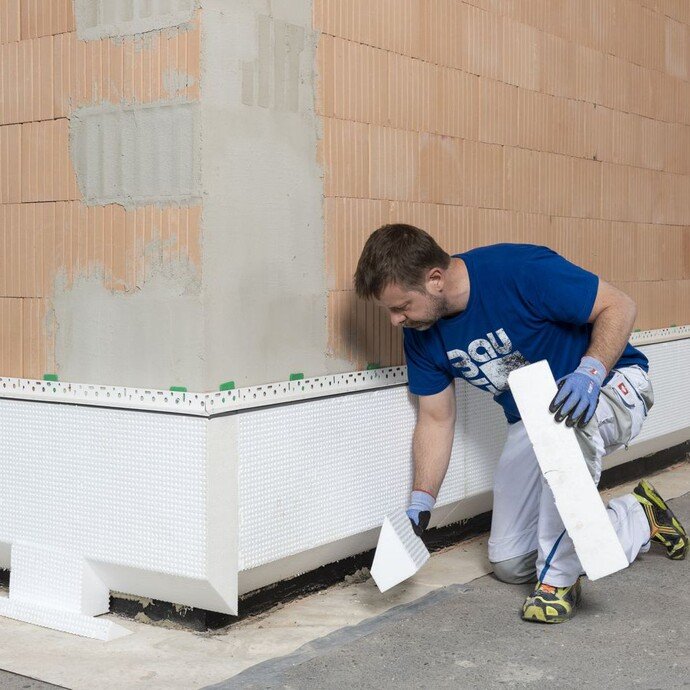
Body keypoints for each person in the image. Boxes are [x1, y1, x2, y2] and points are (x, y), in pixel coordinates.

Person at [354, 223, 687, 623]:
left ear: (435, 279)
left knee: (567, 432)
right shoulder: (422, 334)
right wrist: (421, 502)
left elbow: (620, 306)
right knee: (510, 562)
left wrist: (590, 371)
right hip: (535, 419)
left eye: (401, 306)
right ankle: (638, 517)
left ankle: (558, 583)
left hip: (608, 387)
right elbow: (435, 418)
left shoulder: (519, 269)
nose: (395, 320)